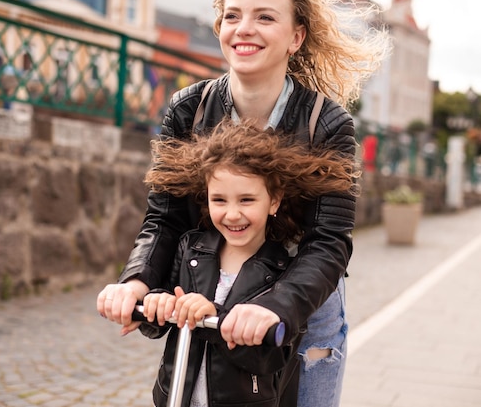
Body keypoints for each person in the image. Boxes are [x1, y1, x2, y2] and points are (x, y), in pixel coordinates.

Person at [97, 0, 390, 405]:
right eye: (233, 15)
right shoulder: (189, 109)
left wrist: (277, 305)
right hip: (215, 292)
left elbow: (328, 242)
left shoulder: (325, 122)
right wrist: (137, 281)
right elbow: (164, 220)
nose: (244, 28)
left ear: (296, 37)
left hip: (300, 303)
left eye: (265, 18)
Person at [139, 121, 359, 406]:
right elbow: (155, 324)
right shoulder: (191, 249)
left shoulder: (283, 273)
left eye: (246, 200)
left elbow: (269, 359)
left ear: (274, 201)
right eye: (219, 199)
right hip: (177, 397)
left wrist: (212, 316)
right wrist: (157, 303)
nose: (232, 214)